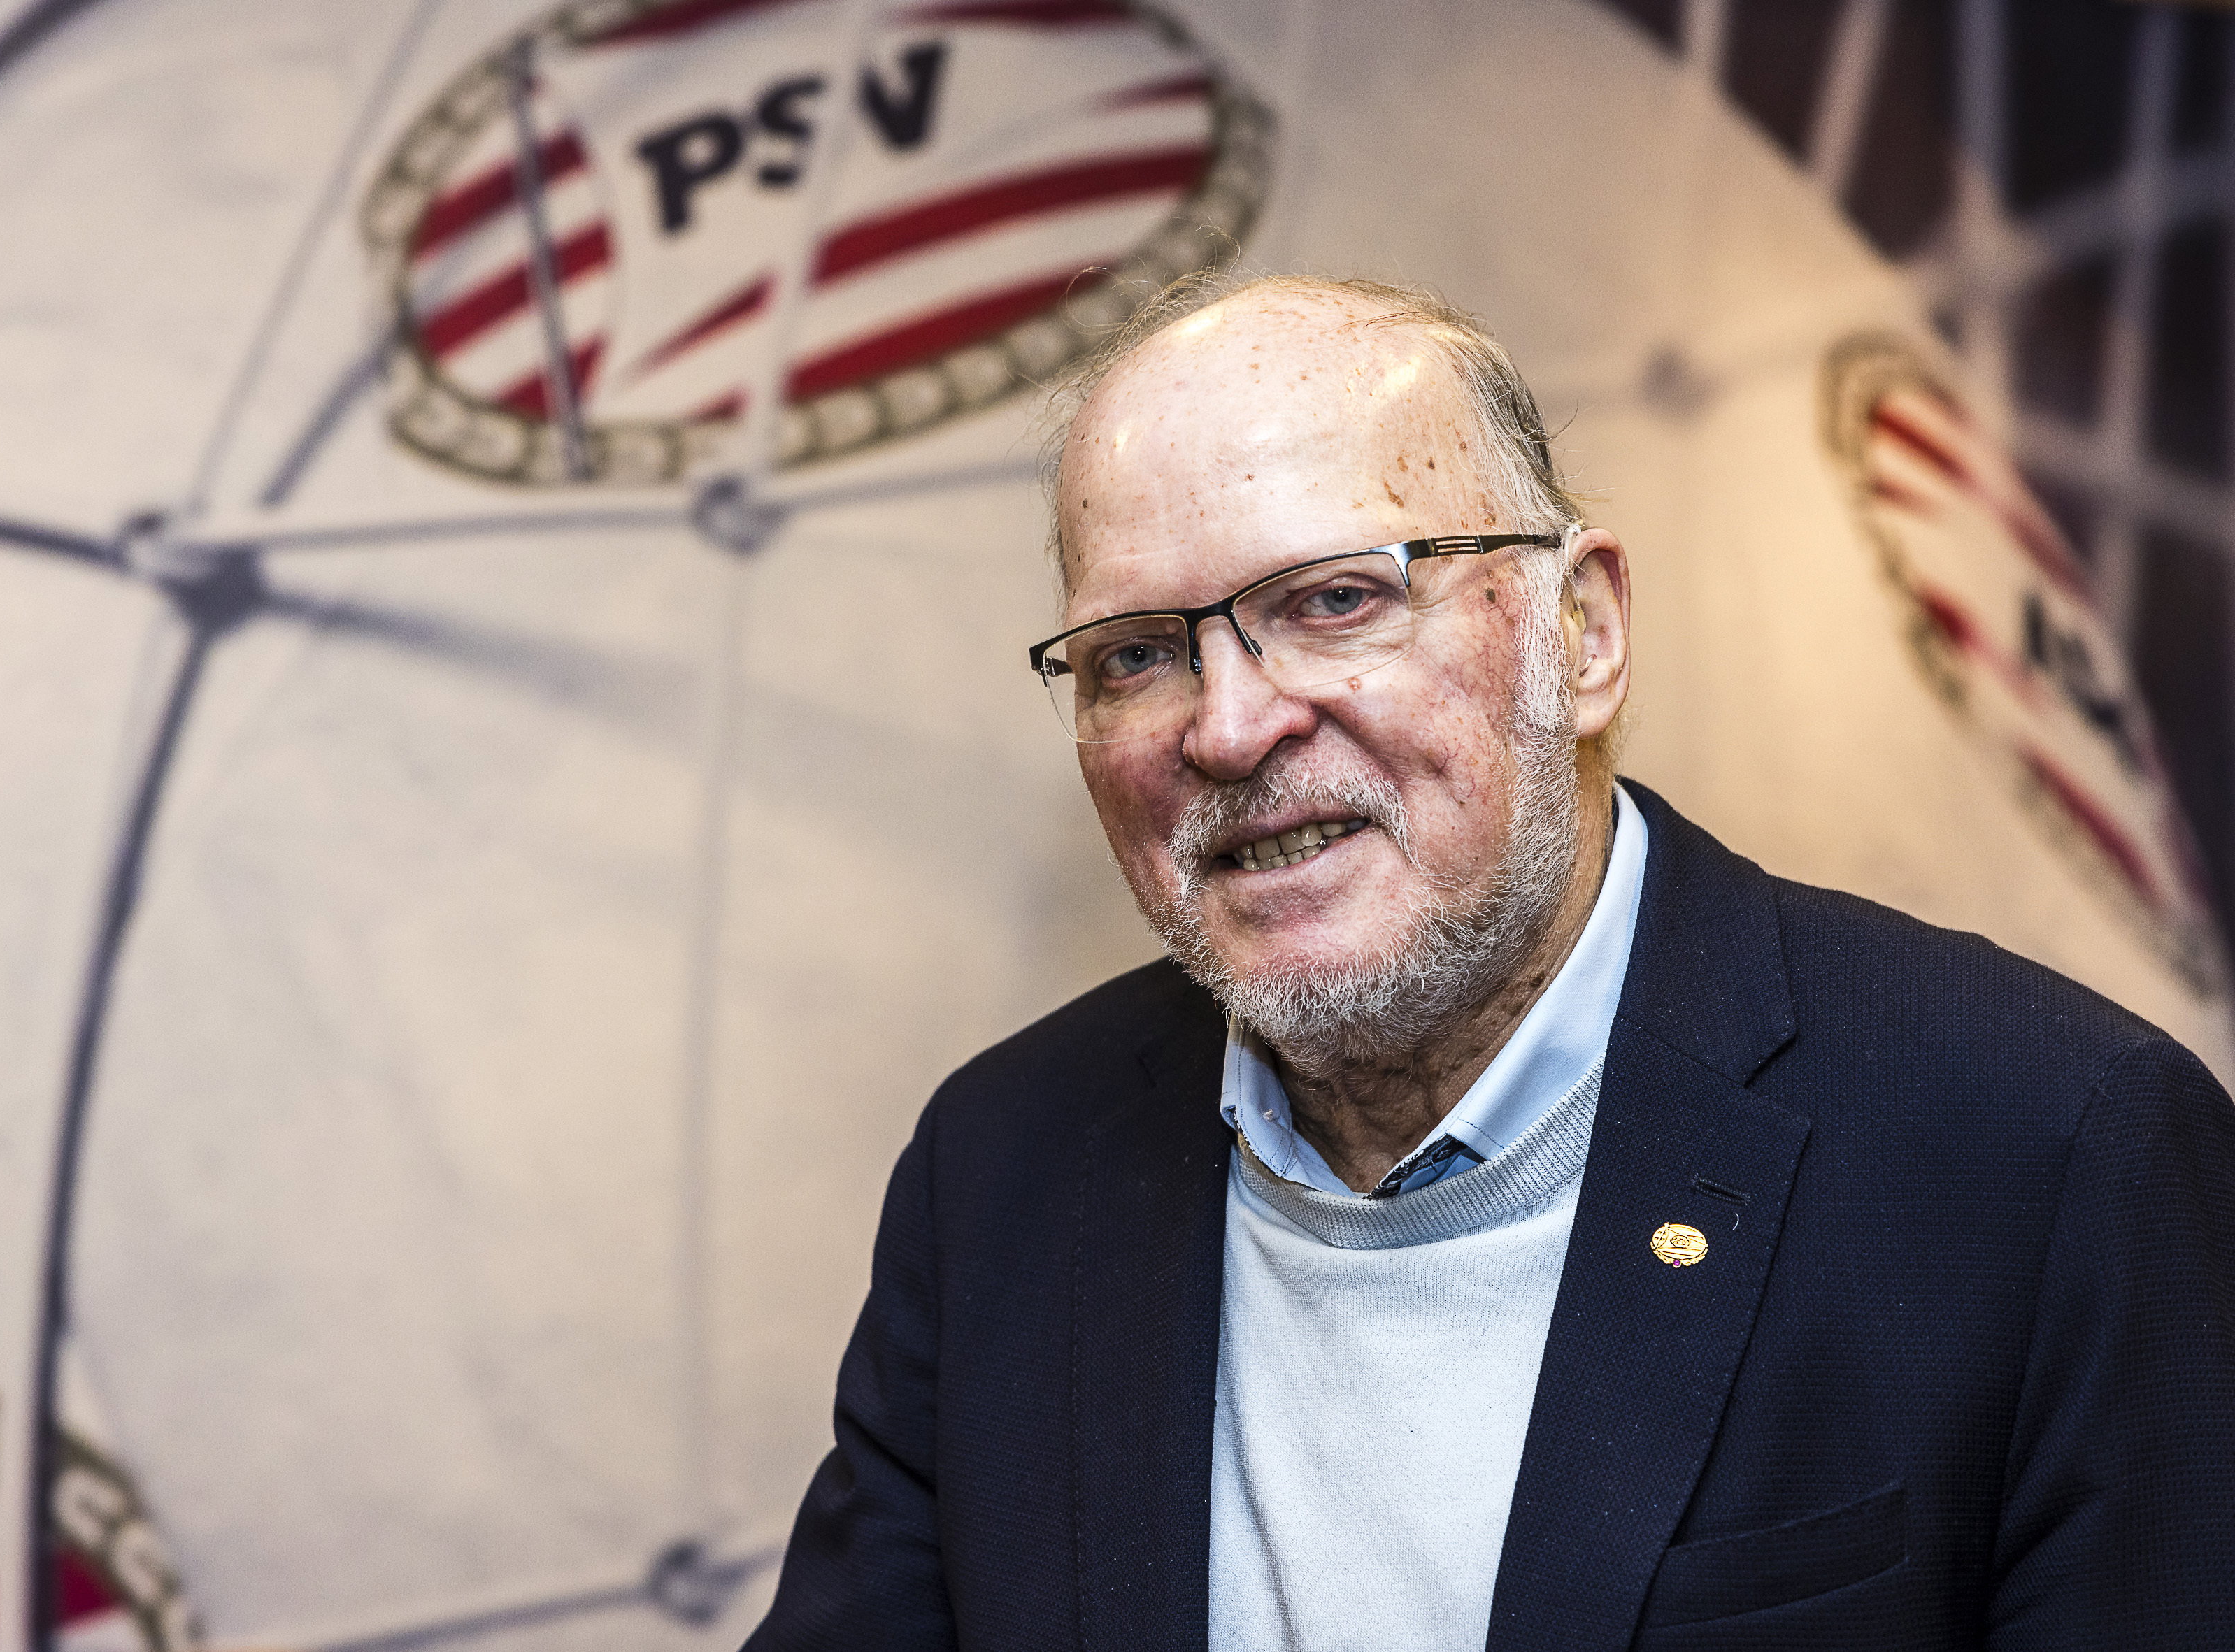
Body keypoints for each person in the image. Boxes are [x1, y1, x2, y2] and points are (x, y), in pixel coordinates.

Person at [741, 277, 2235, 1651]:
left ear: (1580, 634)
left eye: (1331, 599)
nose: (1228, 725)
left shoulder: (2047, 1151)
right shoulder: (1004, 1167)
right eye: (1137, 651)